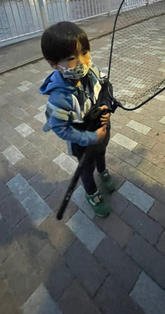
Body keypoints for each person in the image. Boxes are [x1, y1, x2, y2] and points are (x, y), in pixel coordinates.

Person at [39, 21, 115, 217]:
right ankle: (92, 192)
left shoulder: (93, 71)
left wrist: (106, 105)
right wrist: (90, 138)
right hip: (82, 140)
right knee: (85, 168)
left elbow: (106, 87)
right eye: (72, 58)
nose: (82, 61)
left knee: (101, 152)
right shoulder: (60, 98)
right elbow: (61, 129)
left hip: (101, 129)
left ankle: (103, 170)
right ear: (54, 64)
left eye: (85, 52)